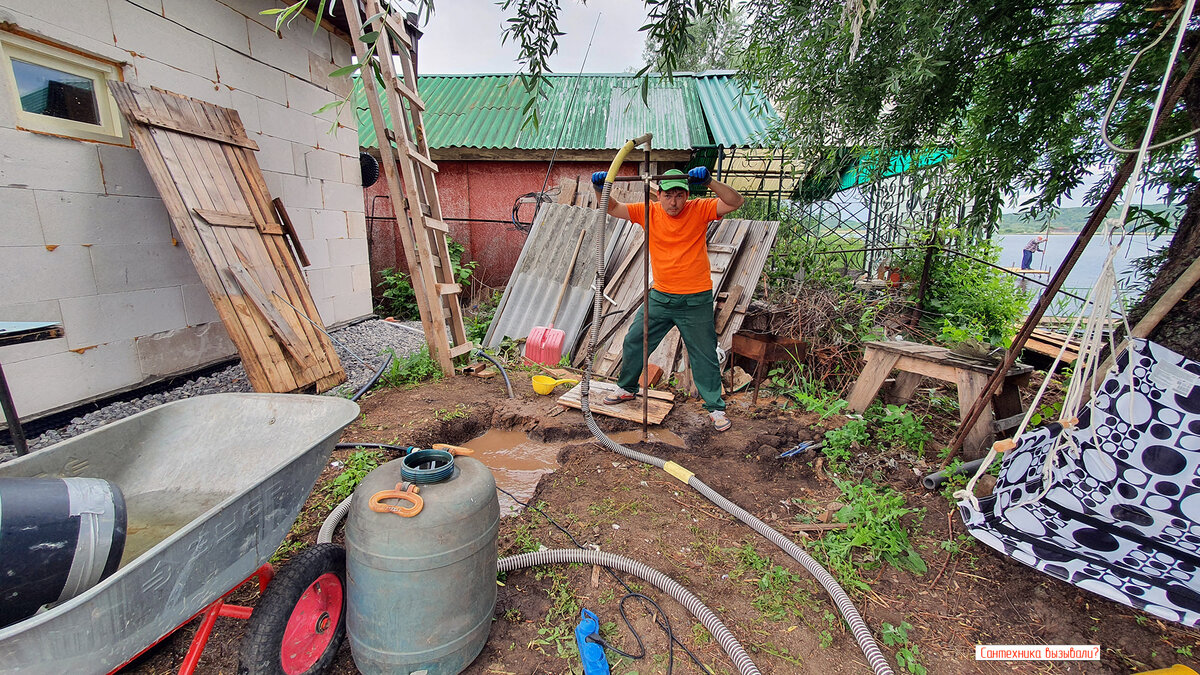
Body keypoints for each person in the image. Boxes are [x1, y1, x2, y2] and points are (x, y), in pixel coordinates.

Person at [591, 167, 744, 431]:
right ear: (658, 195)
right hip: (661, 296)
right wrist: (599, 187)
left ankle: (716, 408)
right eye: (668, 195)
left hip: (696, 299)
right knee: (635, 340)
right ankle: (627, 388)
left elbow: (735, 201)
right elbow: (612, 208)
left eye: (679, 195)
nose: (674, 202)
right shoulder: (648, 212)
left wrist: (709, 182)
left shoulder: (699, 209)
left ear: (686, 195)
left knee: (704, 354)